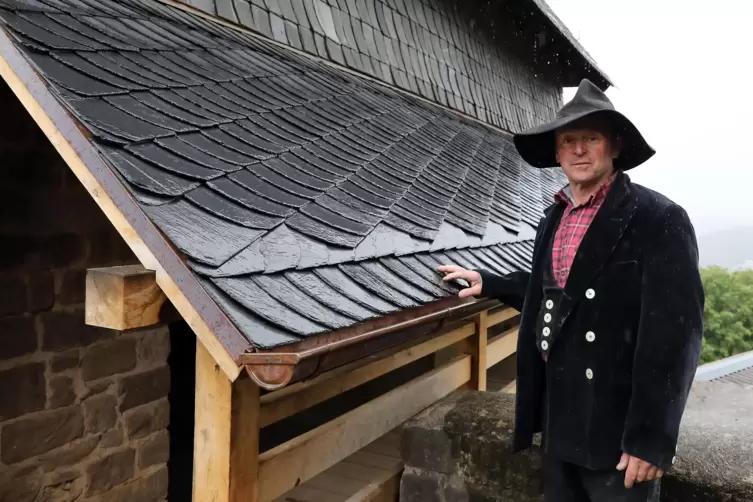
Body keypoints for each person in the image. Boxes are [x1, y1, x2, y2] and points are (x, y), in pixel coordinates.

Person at [438, 79, 704, 502]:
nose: (579, 149)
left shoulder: (659, 218)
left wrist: (650, 439)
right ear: (558, 152)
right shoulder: (554, 216)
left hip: (617, 436)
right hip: (559, 417)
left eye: (591, 138)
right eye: (569, 140)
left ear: (614, 147)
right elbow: (557, 292)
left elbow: (675, 336)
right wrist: (490, 281)